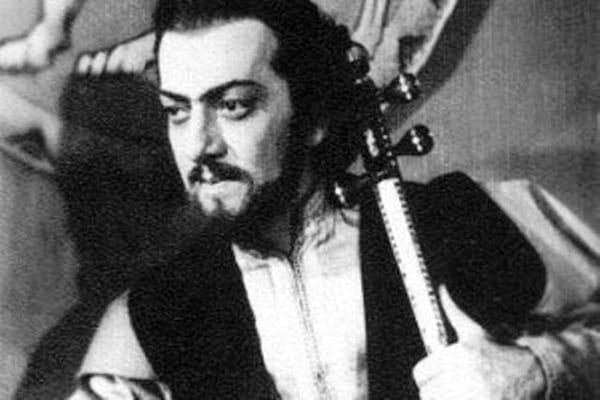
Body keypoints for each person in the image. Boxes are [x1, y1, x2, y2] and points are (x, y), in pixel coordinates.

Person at [68, 0, 600, 399]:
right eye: (177, 111)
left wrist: (540, 370)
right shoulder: (151, 314)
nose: (198, 145)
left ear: (315, 115)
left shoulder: (464, 216)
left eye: (232, 106)